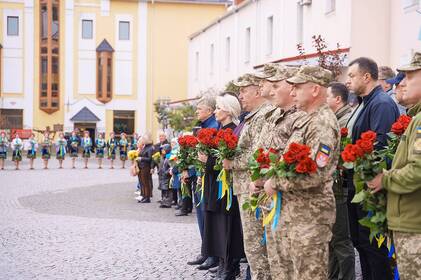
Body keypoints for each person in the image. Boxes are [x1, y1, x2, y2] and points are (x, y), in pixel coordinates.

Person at [262, 65, 339, 280]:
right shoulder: (308, 120)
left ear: (315, 90)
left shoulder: (322, 123)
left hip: (310, 218)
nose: (292, 92)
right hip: (295, 216)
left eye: (297, 87)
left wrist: (274, 182)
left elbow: (315, 173)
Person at [366, 51, 421, 280]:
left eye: (409, 77)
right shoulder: (416, 117)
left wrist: (385, 179)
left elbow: (418, 170)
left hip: (415, 226)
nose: (402, 83)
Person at [345, 57, 399, 280]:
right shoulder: (366, 102)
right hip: (359, 184)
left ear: (366, 77)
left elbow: (380, 146)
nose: (348, 81)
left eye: (352, 76)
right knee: (361, 243)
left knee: (374, 247)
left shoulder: (382, 104)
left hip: (371, 187)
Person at [222, 73, 272, 279]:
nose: (240, 96)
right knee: (252, 249)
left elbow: (257, 155)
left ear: (258, 91)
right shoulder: (253, 117)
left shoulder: (263, 115)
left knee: (257, 249)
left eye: (244, 91)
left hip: (255, 190)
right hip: (246, 188)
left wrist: (231, 162)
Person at [199, 93, 244, 279]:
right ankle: (223, 262)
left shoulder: (233, 130)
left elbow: (222, 162)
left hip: (225, 187)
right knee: (218, 225)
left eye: (218, 108)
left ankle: (230, 265)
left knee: (227, 227)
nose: (215, 111)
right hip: (215, 185)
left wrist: (207, 160)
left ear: (228, 110)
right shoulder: (220, 130)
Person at [185, 95, 219, 270]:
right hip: (200, 175)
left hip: (207, 176)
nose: (197, 111)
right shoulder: (203, 127)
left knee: (207, 215)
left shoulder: (213, 127)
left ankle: (212, 254)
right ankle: (206, 251)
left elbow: (210, 156)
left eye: (200, 109)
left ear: (210, 111)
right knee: (201, 215)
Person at [326, 82, 356, 280]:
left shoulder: (344, 120)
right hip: (334, 186)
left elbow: (345, 156)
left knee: (341, 241)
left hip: (340, 186)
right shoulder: (336, 119)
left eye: (326, 96)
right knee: (332, 239)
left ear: (337, 99)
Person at [137, 133, 154, 203]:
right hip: (142, 166)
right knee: (143, 182)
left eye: (143, 139)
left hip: (146, 167)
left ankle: (147, 197)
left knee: (146, 182)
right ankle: (144, 195)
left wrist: (141, 158)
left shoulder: (150, 148)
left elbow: (150, 158)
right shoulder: (145, 147)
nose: (142, 140)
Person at [158, 144, 172, 208]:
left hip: (167, 177)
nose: (162, 151)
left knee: (168, 190)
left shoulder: (169, 157)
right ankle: (164, 201)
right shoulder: (164, 157)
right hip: (163, 176)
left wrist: (166, 172)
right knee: (164, 190)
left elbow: (171, 167)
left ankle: (168, 202)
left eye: (163, 150)